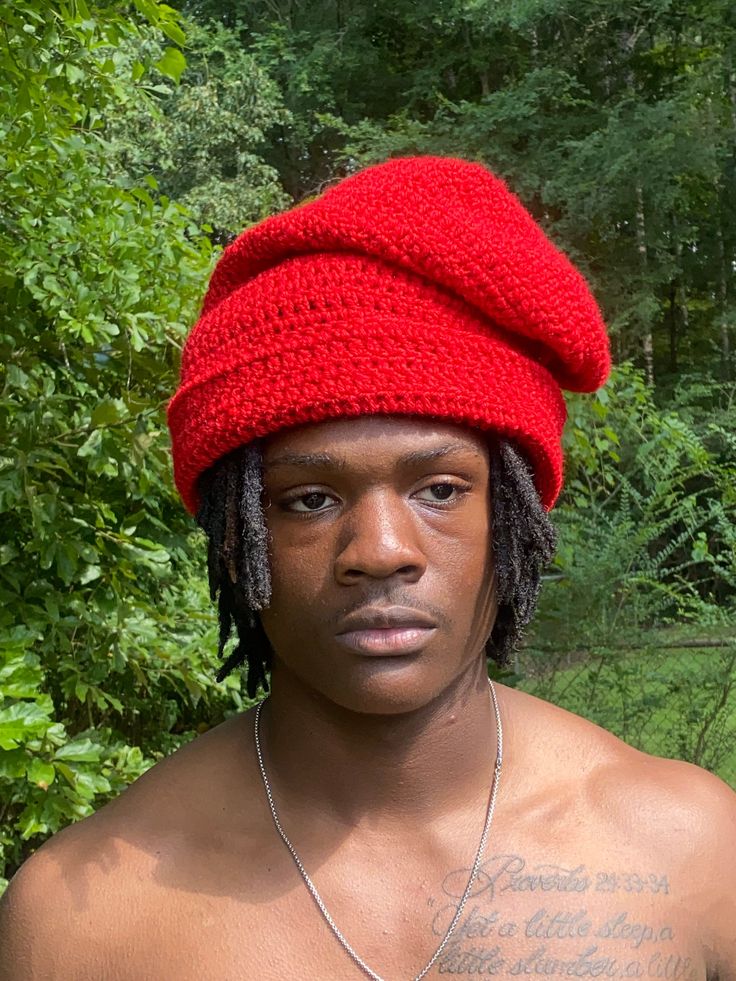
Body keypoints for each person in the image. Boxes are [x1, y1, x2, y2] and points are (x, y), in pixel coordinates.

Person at [1, 156, 734, 981]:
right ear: (234, 533)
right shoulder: (81, 923)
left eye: (441, 488)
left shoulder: (693, 855)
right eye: (308, 499)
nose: (382, 549)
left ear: (515, 513)